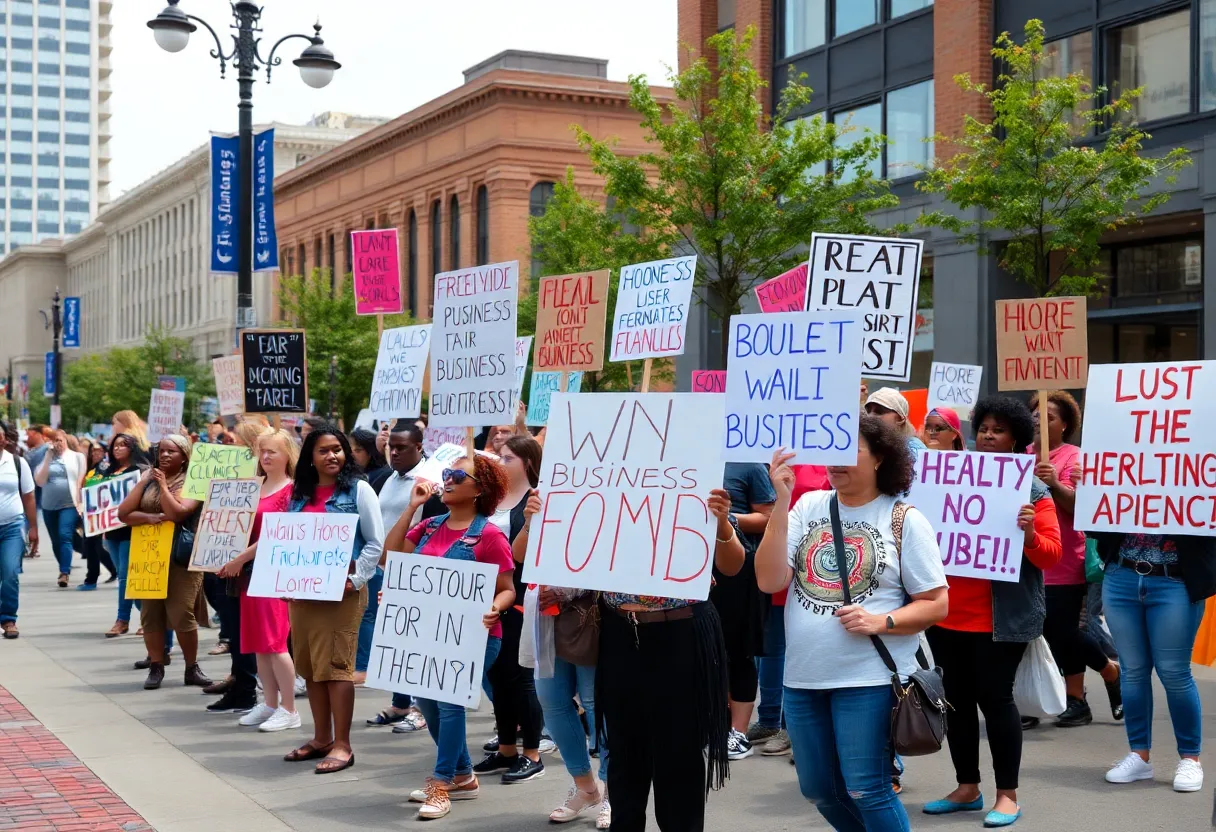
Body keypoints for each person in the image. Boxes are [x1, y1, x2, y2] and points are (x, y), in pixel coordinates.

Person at [755, 416, 950, 832]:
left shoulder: (904, 519)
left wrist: (882, 619)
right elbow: (769, 579)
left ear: (880, 457)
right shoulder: (807, 506)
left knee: (868, 789)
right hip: (804, 679)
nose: (835, 461)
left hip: (869, 680)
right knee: (819, 789)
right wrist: (781, 500)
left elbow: (936, 604)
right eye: (829, 452)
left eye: (849, 450)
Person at [923, 395, 1062, 828]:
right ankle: (967, 787)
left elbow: (1051, 557)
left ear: (1017, 438)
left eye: (998, 429)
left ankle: (1007, 795)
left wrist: (1027, 536)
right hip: (945, 614)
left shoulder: (1033, 492)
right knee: (956, 703)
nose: (987, 435)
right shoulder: (944, 478)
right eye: (983, 427)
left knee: (995, 702)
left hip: (1000, 620)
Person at [592, 489, 744, 832]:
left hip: (681, 632)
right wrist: (534, 521)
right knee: (624, 752)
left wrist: (721, 522)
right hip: (620, 633)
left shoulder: (694, 486)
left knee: (679, 753)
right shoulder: (607, 488)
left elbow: (732, 565)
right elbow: (528, 552)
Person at [382, 453, 518, 820]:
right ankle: (463, 776)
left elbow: (507, 588)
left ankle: (440, 785)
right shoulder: (428, 527)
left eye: (459, 475)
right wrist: (412, 508)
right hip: (427, 635)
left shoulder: (489, 535)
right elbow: (390, 559)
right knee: (426, 704)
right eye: (447, 473)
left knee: (449, 702)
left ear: (480, 489)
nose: (449, 479)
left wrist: (495, 607)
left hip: (475, 636)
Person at [281, 426, 384, 775]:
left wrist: (355, 580)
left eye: (338, 449)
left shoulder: (359, 490)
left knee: (337, 668)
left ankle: (343, 744)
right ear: (310, 456)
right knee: (310, 667)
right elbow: (286, 543)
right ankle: (321, 737)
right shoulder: (299, 495)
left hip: (342, 595)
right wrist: (282, 577)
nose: (333, 456)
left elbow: (374, 543)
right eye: (324, 450)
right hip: (302, 595)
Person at [1088, 518, 1216, 791]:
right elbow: (1094, 526)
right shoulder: (1119, 472)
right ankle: (1139, 755)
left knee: (1174, 672)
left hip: (1176, 581)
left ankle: (1191, 758)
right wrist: (1085, 491)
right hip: (1121, 576)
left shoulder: (1198, 473)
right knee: (1132, 670)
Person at [515, 488, 611, 826]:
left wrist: (571, 590)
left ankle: (615, 791)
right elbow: (520, 554)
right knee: (552, 702)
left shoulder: (611, 492)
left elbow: (618, 556)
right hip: (544, 619)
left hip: (591, 620)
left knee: (598, 705)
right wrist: (528, 521)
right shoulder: (545, 495)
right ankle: (586, 787)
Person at [1027, 390, 1121, 729]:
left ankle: (1088, 689)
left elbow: (1082, 509)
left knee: (1063, 633)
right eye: (1035, 415)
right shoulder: (1018, 455)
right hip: (1025, 561)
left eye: (1048, 417)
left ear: (1065, 425)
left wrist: (1052, 483)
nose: (1039, 421)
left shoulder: (1074, 458)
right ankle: (1031, 699)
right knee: (1027, 631)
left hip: (1065, 560)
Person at [217, 429, 301, 732]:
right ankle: (268, 703)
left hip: (274, 573)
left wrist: (240, 558)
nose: (265, 457)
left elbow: (275, 534)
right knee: (258, 644)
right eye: (262, 451)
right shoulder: (255, 486)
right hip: (250, 575)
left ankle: (289, 708)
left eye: (272, 452)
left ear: (287, 455)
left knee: (276, 643)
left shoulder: (292, 491)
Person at [361, 421, 445, 721]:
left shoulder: (430, 482)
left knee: (418, 640)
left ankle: (423, 708)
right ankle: (400, 703)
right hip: (385, 568)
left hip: (414, 569)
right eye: (390, 447)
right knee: (395, 639)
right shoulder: (388, 478)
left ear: (419, 448)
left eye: (401, 448)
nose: (394, 452)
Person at [476, 434, 547, 782]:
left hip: (521, 598)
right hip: (488, 598)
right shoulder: (491, 501)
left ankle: (532, 752)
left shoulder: (537, 500)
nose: (498, 462)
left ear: (528, 463)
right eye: (497, 457)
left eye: (507, 458)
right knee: (497, 674)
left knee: (521, 678)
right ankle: (506, 749)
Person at [116, 434, 212, 691]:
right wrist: (149, 515)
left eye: (173, 451)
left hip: (180, 558)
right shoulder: (148, 479)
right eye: (162, 451)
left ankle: (192, 667)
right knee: (151, 615)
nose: (166, 455)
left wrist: (164, 488)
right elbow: (123, 513)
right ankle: (156, 666)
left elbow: (179, 513)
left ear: (184, 457)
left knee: (182, 614)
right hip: (149, 556)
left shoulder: (194, 481)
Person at [751, 461, 832, 758]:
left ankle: (796, 731)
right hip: (780, 560)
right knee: (773, 650)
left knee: (805, 649)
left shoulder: (836, 462)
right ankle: (771, 720)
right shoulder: (781, 458)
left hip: (819, 568)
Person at [712, 462, 775, 761]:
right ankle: (713, 726)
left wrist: (725, 519)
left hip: (739, 571)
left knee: (739, 650)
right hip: (691, 568)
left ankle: (737, 733)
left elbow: (769, 518)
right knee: (705, 651)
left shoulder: (748, 465)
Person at [102, 434, 147, 638]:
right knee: (126, 577)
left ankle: (122, 620)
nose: (118, 449)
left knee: (125, 577)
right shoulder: (108, 471)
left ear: (132, 448)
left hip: (131, 530)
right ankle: (148, 616)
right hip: (111, 531)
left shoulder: (139, 471)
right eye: (115, 446)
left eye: (123, 445)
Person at [33, 430, 87, 588]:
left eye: (59, 440)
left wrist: (81, 503)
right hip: (49, 506)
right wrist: (48, 457)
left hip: (69, 504)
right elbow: (40, 481)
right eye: (53, 441)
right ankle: (63, 566)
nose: (57, 443)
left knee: (64, 535)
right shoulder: (46, 459)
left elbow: (80, 480)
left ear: (65, 440)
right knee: (56, 540)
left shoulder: (77, 457)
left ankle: (64, 572)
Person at [0, 421, 37, 639]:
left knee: (10, 572)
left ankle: (8, 618)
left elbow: (29, 496)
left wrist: (33, 528)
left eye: (1, 435)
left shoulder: (17, 463)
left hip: (12, 527)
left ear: (5, 439)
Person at [79, 441, 117, 590]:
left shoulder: (104, 467)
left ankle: (92, 578)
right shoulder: (90, 467)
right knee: (91, 546)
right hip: (89, 512)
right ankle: (103, 573)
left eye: (99, 450)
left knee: (96, 546)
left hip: (99, 512)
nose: (96, 453)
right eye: (93, 450)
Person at [864, 389, 927, 459]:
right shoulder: (865, 444)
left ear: (900, 419)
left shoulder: (915, 451)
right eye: (868, 411)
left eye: (879, 412)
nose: (870, 416)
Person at [24, 426, 49, 513]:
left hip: (42, 493)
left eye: (29, 434)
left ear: (37, 434)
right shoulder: (29, 451)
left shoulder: (47, 449)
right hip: (31, 492)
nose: (27, 437)